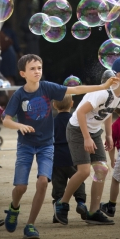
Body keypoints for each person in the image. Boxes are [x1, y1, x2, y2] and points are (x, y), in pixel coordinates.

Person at [2, 54, 118, 239]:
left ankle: (30, 225)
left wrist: (103, 87)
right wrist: (20, 125)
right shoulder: (19, 95)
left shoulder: (48, 87)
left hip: (47, 145)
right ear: (23, 73)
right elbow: (6, 120)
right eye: (32, 69)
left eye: (39, 67)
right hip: (26, 145)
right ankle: (14, 207)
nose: (37, 71)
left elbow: (77, 89)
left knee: (42, 182)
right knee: (21, 187)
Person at [53, 56, 120, 227]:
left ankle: (93, 212)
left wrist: (108, 135)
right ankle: (62, 204)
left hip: (93, 131)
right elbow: (80, 113)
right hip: (78, 129)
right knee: (84, 171)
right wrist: (86, 137)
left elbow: (108, 112)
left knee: (102, 169)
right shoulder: (102, 92)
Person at [51, 94, 87, 223]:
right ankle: (81, 202)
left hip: (57, 159)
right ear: (72, 104)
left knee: (58, 187)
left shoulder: (52, 122)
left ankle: (60, 213)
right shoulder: (76, 121)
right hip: (74, 157)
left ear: (54, 105)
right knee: (78, 181)